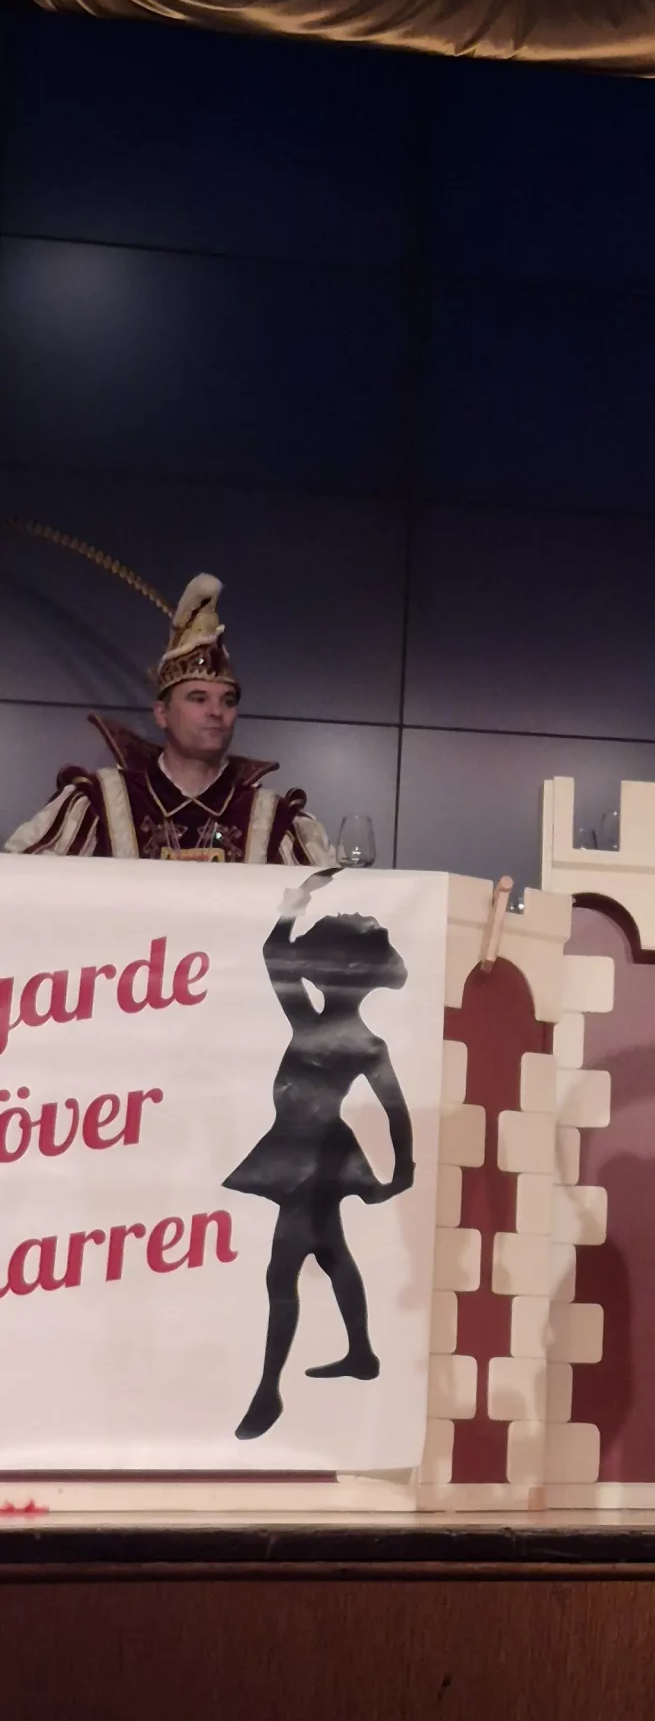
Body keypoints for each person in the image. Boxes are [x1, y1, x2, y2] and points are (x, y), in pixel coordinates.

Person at [224, 868, 415, 1440]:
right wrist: (297, 902)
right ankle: (361, 1353)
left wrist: (403, 1171)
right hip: (301, 1151)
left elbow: (396, 1110)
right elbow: (273, 956)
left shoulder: (361, 1043)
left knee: (283, 1270)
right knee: (331, 1254)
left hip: (315, 1160)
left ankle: (268, 1390)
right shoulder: (311, 1021)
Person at [5, 572, 332, 862]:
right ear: (161, 714)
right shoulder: (100, 803)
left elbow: (326, 901)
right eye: (198, 698)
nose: (216, 711)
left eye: (227, 701)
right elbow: (23, 884)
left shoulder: (271, 820)